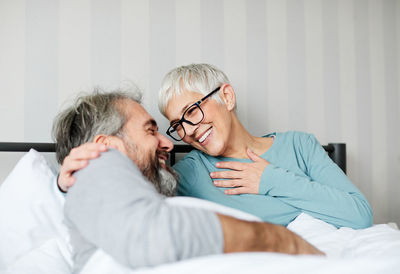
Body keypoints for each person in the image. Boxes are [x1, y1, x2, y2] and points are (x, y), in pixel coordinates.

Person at [52, 90, 322, 272]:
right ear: (107, 145)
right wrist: (281, 240)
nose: (168, 143)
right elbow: (153, 236)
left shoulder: (97, 187)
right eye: (150, 130)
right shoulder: (100, 164)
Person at [155, 63, 373, 229]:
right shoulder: (190, 173)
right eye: (178, 125)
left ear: (227, 97)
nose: (189, 130)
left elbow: (360, 216)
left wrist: (271, 180)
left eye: (192, 111)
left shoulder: (299, 146)